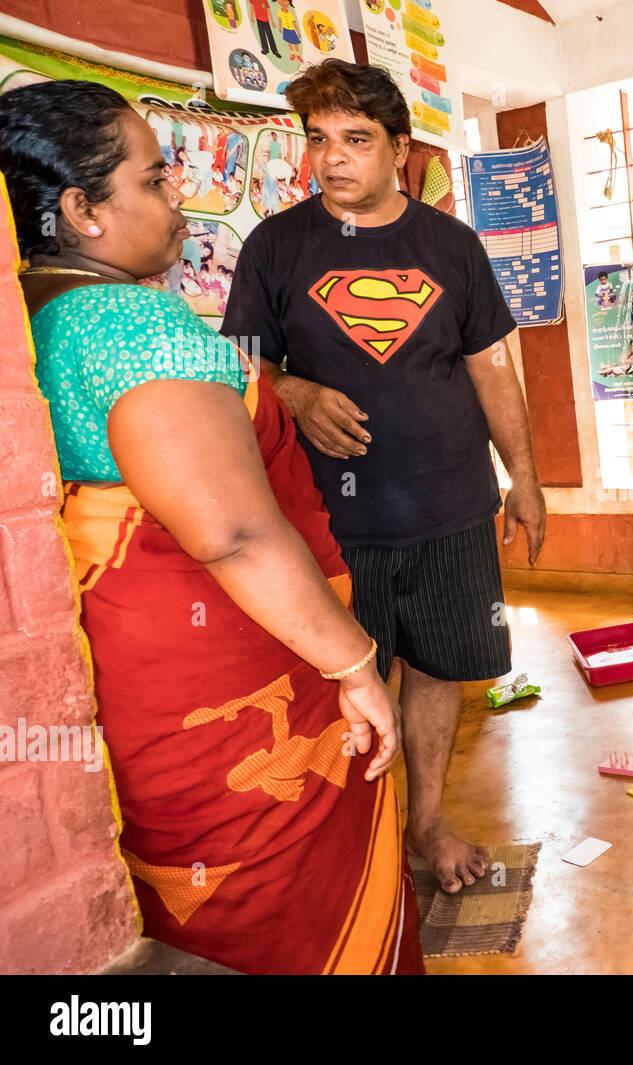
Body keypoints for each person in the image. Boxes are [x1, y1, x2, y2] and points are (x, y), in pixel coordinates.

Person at [2, 79, 420, 974]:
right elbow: (232, 532)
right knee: (295, 889)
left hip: (145, 692)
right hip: (239, 685)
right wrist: (353, 665)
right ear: (82, 209)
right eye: (154, 181)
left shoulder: (31, 318)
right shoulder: (133, 324)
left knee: (203, 903)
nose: (178, 197)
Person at [223, 60, 545, 895]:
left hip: (450, 508)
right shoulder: (275, 246)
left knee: (439, 669)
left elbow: (491, 372)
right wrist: (290, 389)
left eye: (356, 140)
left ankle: (428, 821)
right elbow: (236, 372)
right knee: (339, 677)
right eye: (319, 140)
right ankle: (353, 859)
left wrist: (527, 480)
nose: (333, 159)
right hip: (328, 523)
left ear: (400, 150)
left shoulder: (451, 246)